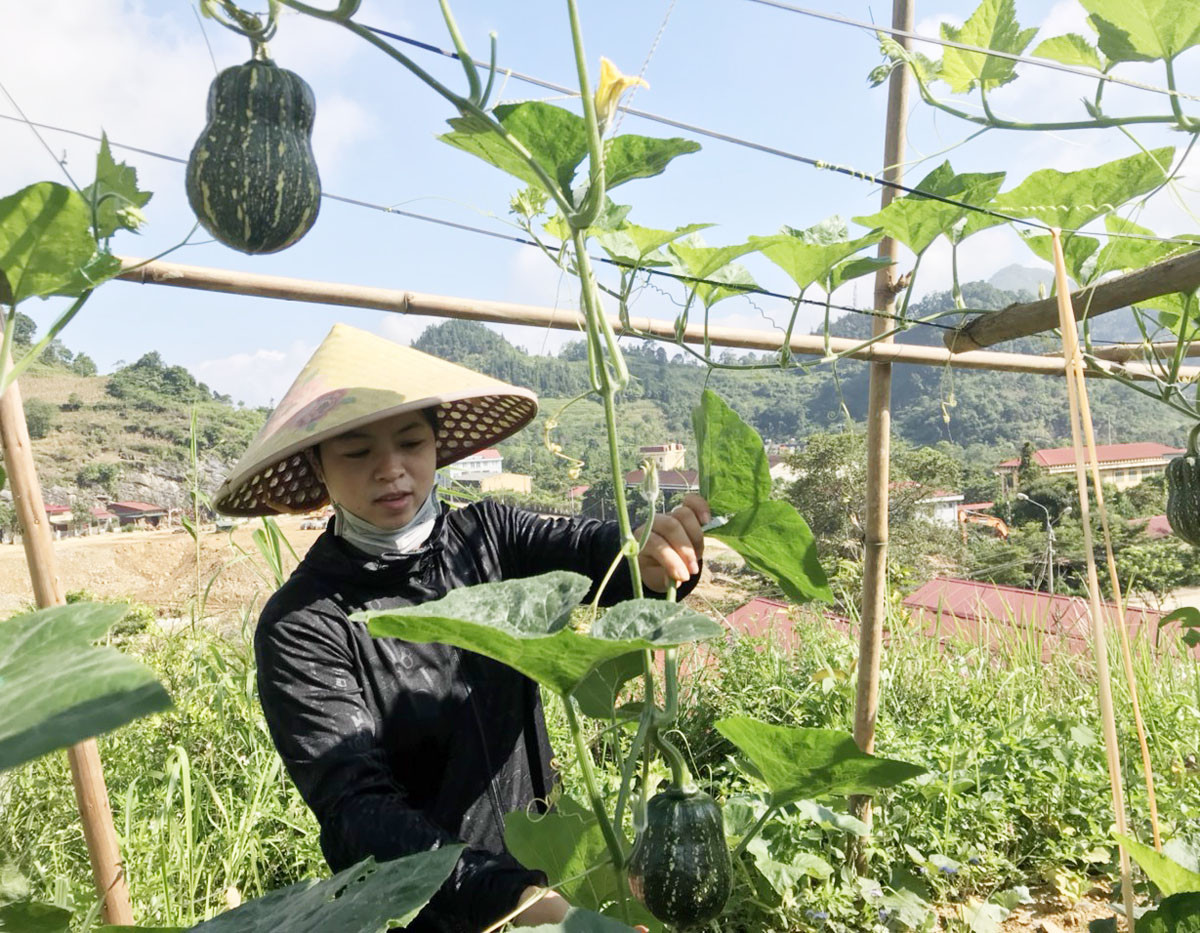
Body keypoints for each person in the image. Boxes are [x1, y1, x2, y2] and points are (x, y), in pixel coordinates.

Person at [214, 323, 709, 931]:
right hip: (417, 911)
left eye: (411, 443)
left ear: (436, 447)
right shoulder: (304, 624)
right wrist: (516, 902)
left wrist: (657, 555)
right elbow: (358, 810)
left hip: (537, 873)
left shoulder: (491, 536)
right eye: (358, 451)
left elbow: (603, 554)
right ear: (318, 465)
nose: (392, 470)